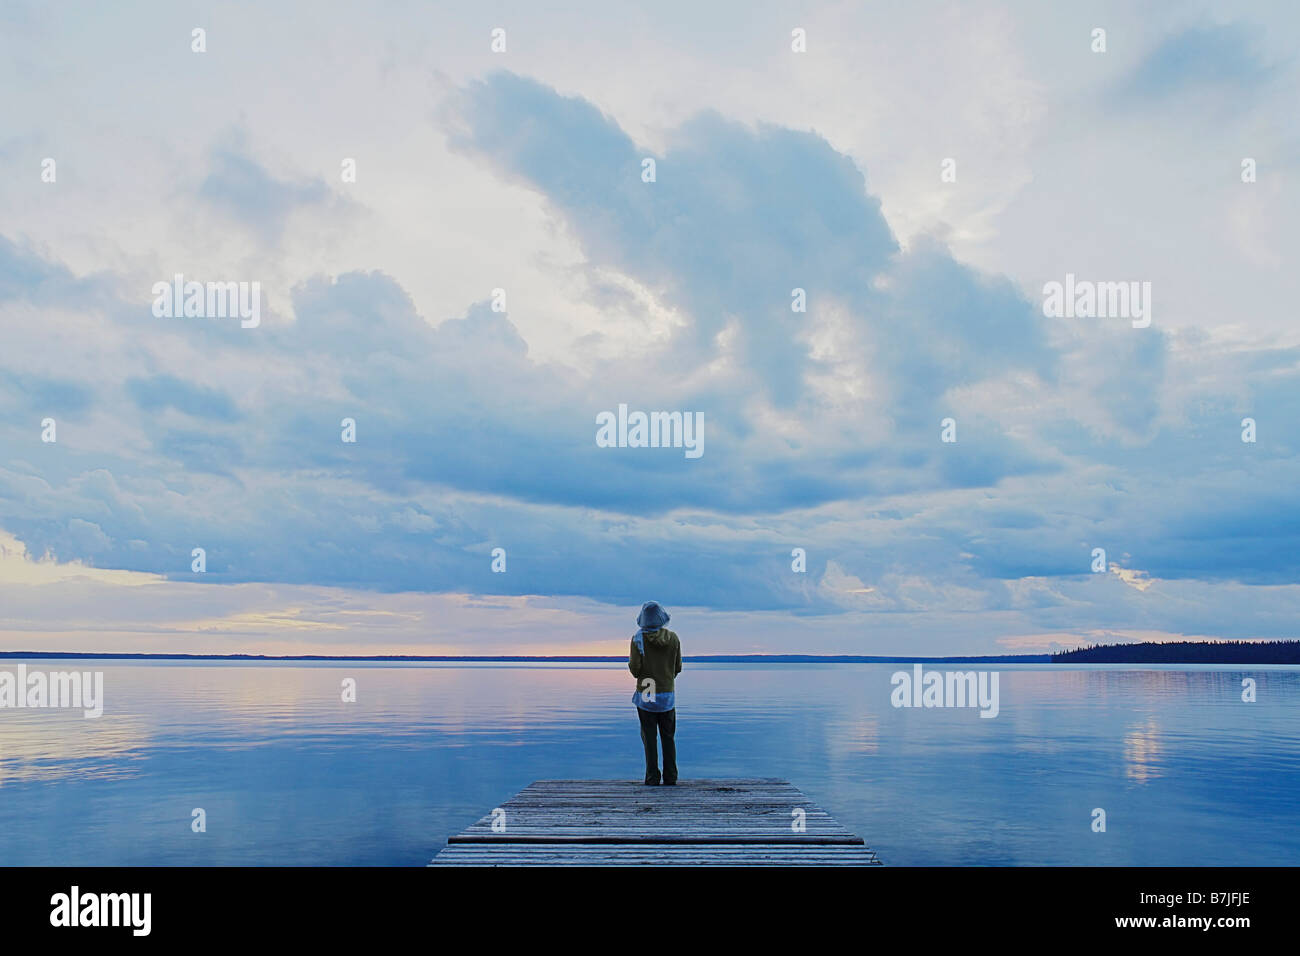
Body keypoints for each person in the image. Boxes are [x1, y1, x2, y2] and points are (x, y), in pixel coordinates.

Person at [628, 601, 682, 785]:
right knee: (668, 737)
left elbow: (635, 670)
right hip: (667, 693)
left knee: (649, 737)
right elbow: (678, 667)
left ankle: (652, 777)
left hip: (646, 691)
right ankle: (671, 776)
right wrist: (666, 677)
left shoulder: (637, 639)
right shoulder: (673, 638)